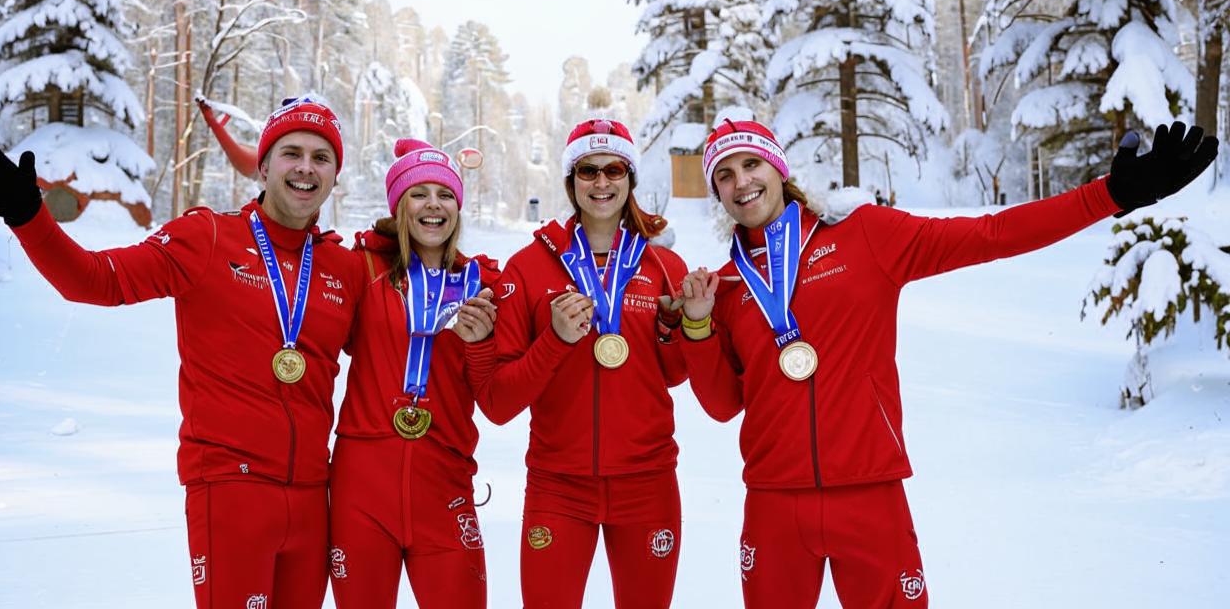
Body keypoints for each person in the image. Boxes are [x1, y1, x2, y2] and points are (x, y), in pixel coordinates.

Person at [677, 119, 1218, 609]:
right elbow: (724, 406)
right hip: (773, 505)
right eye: (723, 174)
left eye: (750, 163)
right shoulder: (727, 287)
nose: (741, 181)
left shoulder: (866, 235)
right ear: (716, 192)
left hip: (869, 494)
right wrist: (697, 325)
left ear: (777, 167)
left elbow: (993, 235)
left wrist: (1111, 194)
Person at [0, 97, 363, 609]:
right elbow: (94, 280)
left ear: (335, 175)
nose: (306, 168)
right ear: (262, 163)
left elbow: (394, 347)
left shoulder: (344, 269)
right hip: (230, 490)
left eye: (321, 158)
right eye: (291, 152)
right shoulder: (207, 236)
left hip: (312, 497)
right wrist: (28, 216)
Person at [481, 119, 689, 609]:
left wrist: (676, 328)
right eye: (587, 171)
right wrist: (554, 340)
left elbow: (676, 374)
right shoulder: (529, 268)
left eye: (614, 169)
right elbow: (502, 401)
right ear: (570, 182)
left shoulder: (663, 266)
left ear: (630, 179)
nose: (601, 182)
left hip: (648, 484)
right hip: (558, 486)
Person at [329, 138, 502, 608]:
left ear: (459, 208)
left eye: (445, 194)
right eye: (418, 193)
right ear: (399, 205)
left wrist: (481, 344)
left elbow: (494, 395)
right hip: (361, 490)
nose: (433, 205)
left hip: (443, 486)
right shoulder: (361, 269)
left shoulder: (481, 285)